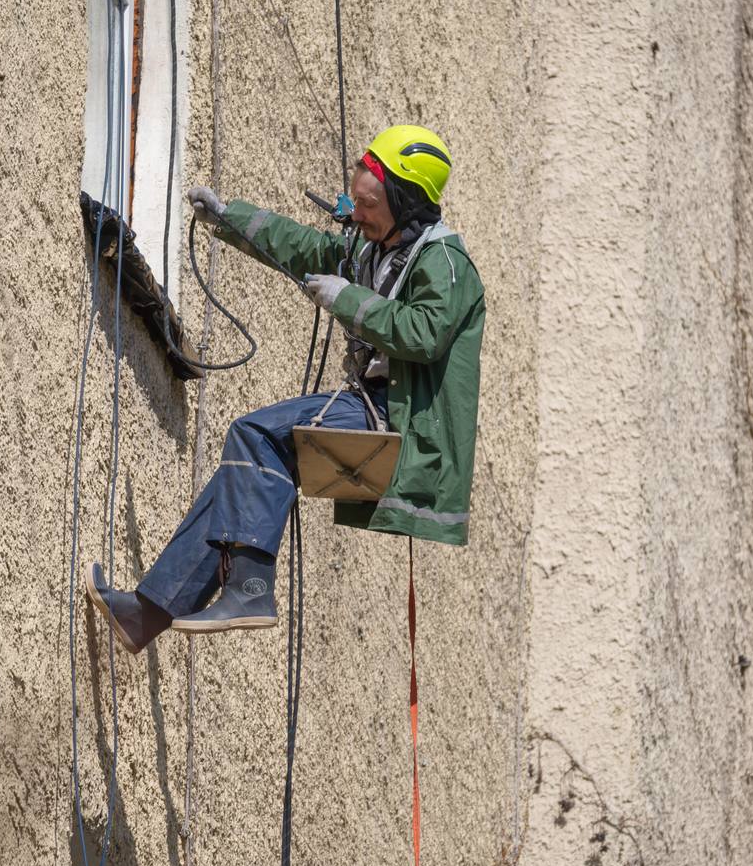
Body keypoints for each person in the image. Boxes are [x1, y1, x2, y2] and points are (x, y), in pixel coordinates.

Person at [86, 124, 486, 654]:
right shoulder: (378, 249)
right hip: (377, 408)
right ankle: (148, 613)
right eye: (357, 203)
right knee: (244, 473)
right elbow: (306, 248)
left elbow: (424, 333)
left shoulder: (445, 263)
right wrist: (230, 218)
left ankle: (250, 591)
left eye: (368, 205)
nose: (357, 215)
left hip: (405, 426)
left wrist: (347, 299)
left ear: (406, 200)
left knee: (256, 435)